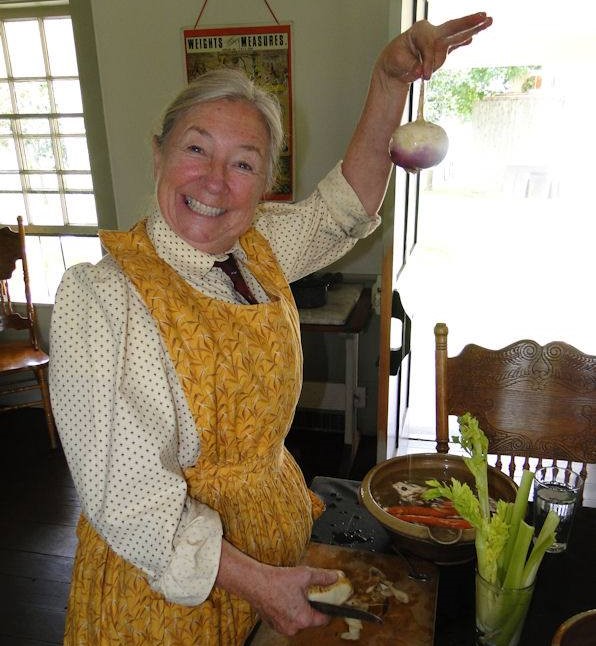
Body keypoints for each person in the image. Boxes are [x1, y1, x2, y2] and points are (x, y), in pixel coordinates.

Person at [49, 11, 492, 645]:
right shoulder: (100, 300)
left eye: (244, 164)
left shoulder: (256, 248)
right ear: (159, 153)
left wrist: (390, 81)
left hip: (275, 560)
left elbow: (346, 207)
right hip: (166, 597)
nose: (214, 181)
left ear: (265, 184)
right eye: (196, 148)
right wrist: (259, 582)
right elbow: (131, 502)